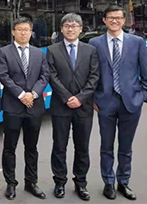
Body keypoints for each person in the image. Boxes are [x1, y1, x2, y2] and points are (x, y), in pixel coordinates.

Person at [89, 5, 147, 200]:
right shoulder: (94, 43)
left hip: (131, 102)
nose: (114, 21)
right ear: (104, 21)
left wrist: (143, 96)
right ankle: (108, 182)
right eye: (110, 17)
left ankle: (123, 182)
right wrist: (93, 98)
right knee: (106, 146)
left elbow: (145, 72)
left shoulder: (136, 42)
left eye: (118, 17)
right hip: (105, 102)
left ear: (124, 21)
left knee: (126, 147)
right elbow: (90, 74)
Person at [47, 13, 99, 201]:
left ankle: (81, 183)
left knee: (82, 146)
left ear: (80, 29)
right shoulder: (52, 50)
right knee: (59, 146)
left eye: (74, 25)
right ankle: (59, 181)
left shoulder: (90, 50)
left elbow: (94, 77)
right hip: (61, 106)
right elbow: (52, 77)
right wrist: (68, 97)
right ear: (61, 29)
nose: (70, 28)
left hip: (83, 107)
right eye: (67, 25)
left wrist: (81, 98)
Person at [0, 17, 50, 200]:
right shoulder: (3, 52)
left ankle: (31, 182)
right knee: (9, 148)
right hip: (13, 106)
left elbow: (44, 76)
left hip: (34, 107)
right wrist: (21, 95)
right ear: (13, 32)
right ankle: (11, 183)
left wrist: (33, 94)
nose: (23, 33)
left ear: (31, 32)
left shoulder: (39, 53)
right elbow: (4, 76)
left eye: (26, 30)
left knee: (32, 147)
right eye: (19, 29)